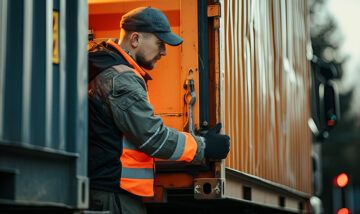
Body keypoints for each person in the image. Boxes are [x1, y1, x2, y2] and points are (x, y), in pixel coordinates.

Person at [87, 7, 230, 214]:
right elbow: (152, 138)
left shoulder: (106, 67)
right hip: (113, 195)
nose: (164, 52)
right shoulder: (122, 78)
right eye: (160, 44)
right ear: (135, 39)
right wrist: (204, 146)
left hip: (107, 192)